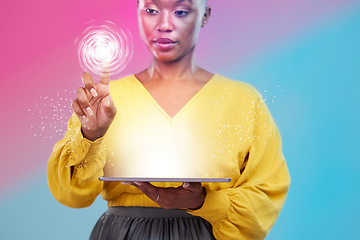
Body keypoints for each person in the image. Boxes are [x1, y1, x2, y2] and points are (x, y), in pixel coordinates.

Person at [47, 0, 291, 239]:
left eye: (181, 11)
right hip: (121, 234)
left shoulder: (242, 100)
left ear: (205, 15)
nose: (164, 24)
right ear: (138, 12)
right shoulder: (106, 99)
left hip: (205, 232)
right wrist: (91, 134)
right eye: (152, 10)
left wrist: (203, 201)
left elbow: (266, 194)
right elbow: (72, 195)